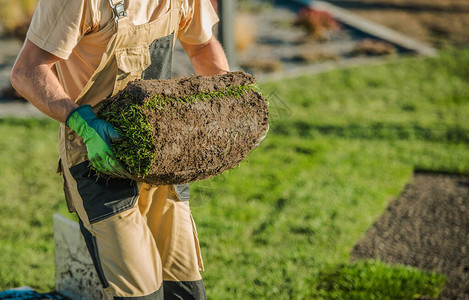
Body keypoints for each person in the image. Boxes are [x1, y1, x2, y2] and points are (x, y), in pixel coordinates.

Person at [10, 0, 229, 299]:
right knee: (140, 293)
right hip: (97, 160)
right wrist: (84, 124)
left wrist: (230, 106)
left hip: (162, 153)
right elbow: (26, 71)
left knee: (184, 289)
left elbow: (202, 46)